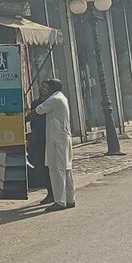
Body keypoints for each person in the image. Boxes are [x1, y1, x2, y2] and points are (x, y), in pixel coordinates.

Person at [35, 79, 75, 212]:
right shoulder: (61, 98)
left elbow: (39, 110)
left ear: (52, 88)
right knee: (66, 169)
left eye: (47, 87)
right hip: (62, 138)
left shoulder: (54, 99)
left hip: (57, 140)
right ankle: (70, 199)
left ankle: (60, 201)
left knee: (57, 170)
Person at [25, 82, 53, 205]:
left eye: (46, 87)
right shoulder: (35, 103)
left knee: (52, 167)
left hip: (51, 137)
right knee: (41, 166)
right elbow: (33, 120)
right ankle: (49, 191)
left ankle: (55, 192)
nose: (43, 89)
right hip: (39, 138)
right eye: (42, 87)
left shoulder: (53, 102)